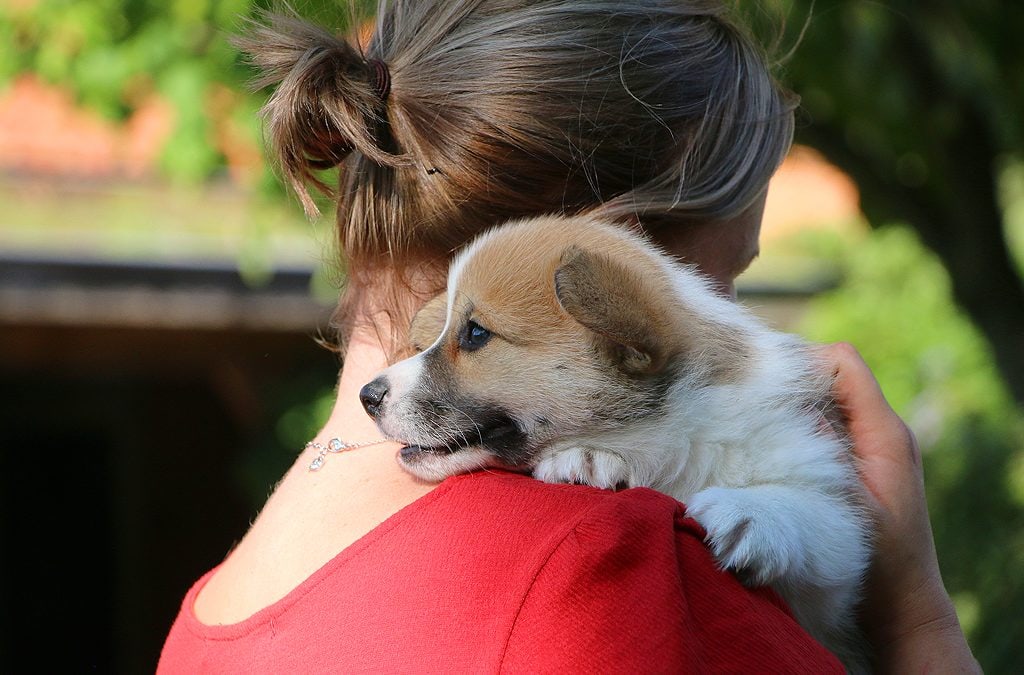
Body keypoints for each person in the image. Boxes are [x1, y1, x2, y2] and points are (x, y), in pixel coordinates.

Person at [159, 1, 979, 672]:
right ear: (614, 261)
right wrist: (919, 621)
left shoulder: (209, 617)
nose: (721, 321)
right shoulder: (617, 580)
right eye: (720, 283)